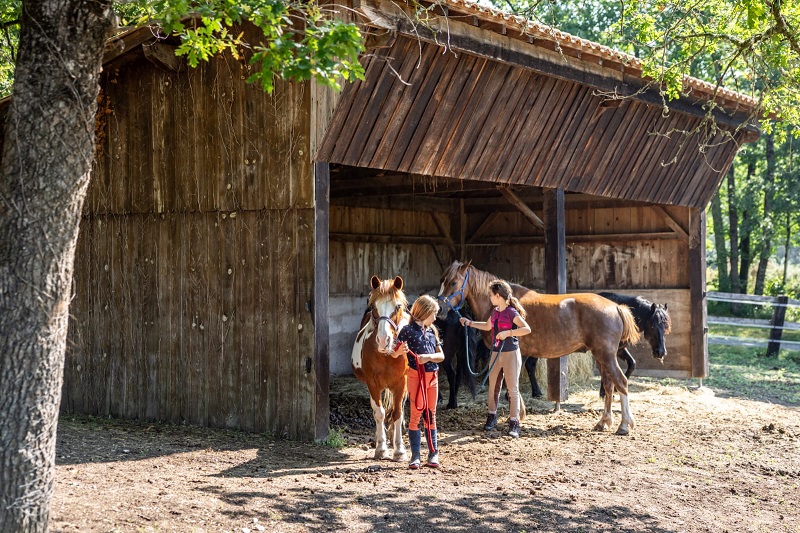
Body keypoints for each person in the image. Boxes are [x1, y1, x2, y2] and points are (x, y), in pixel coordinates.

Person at [460, 280, 531, 438]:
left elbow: (526, 329)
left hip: (510, 353)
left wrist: (508, 333)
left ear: (498, 296)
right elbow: (487, 327)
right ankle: (491, 417)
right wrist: (469, 323)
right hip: (495, 352)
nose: (489, 297)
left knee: (512, 389)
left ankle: (514, 424)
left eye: (491, 295)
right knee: (493, 387)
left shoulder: (512, 312)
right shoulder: (495, 311)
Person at [392, 295, 445, 469]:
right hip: (416, 377)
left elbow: (441, 356)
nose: (435, 318)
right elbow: (394, 354)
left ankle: (433, 453)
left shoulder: (432, 332)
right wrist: (400, 350)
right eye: (434, 314)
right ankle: (415, 455)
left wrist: (428, 357)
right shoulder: (407, 331)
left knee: (431, 414)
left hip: (432, 378)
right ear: (426, 312)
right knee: (416, 414)